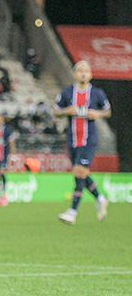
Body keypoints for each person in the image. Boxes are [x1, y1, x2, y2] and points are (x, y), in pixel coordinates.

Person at [54, 61, 111, 225]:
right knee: (80, 172)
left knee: (79, 171)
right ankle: (100, 197)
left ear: (91, 75)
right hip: (72, 139)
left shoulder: (97, 93)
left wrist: (97, 114)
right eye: (80, 71)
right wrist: (67, 111)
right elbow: (56, 111)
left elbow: (108, 112)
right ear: (74, 74)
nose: (83, 73)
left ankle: (72, 212)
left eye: (86, 71)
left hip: (89, 139)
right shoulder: (67, 92)